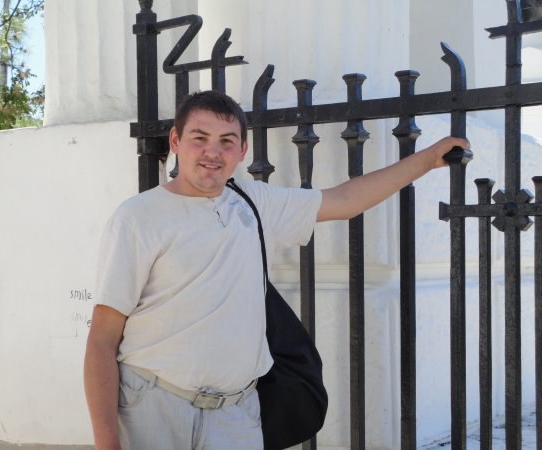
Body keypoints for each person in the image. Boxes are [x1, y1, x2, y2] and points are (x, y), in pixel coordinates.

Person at [84, 90, 469, 450]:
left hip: (236, 414)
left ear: (242, 150)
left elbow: (344, 200)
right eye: (199, 138)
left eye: (227, 141)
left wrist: (426, 160)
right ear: (175, 141)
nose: (212, 152)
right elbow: (102, 339)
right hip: (153, 406)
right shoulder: (138, 217)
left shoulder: (253, 201)